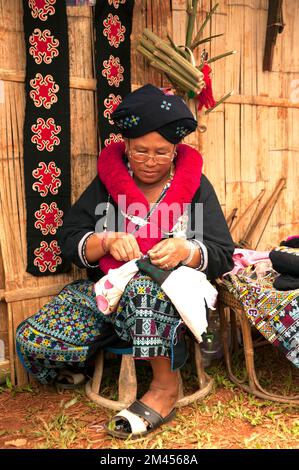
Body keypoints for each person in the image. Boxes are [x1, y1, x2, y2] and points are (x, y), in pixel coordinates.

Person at [16, 84, 234, 439]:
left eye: (161, 153)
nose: (150, 161)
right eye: (140, 151)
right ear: (126, 148)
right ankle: (98, 347)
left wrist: (185, 250)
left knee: (145, 284)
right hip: (106, 292)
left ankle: (165, 386)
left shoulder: (195, 188)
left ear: (176, 151)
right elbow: (69, 239)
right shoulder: (107, 185)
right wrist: (105, 241)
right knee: (34, 338)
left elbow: (223, 252)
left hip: (168, 300)